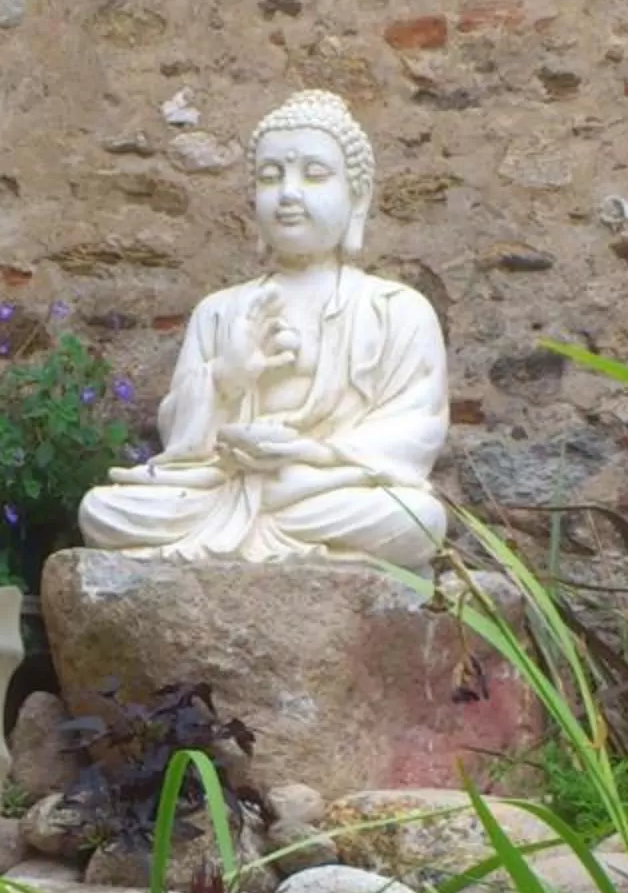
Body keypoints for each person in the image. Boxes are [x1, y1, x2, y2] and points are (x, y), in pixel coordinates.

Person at [75, 89, 452, 569]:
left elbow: (414, 430)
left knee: (418, 518)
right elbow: (180, 442)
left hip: (319, 491)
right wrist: (225, 378)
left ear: (357, 197)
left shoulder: (396, 310)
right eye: (271, 177)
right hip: (221, 489)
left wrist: (310, 454)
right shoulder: (219, 310)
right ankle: (255, 521)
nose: (289, 193)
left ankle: (264, 517)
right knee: (103, 510)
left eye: (314, 175)